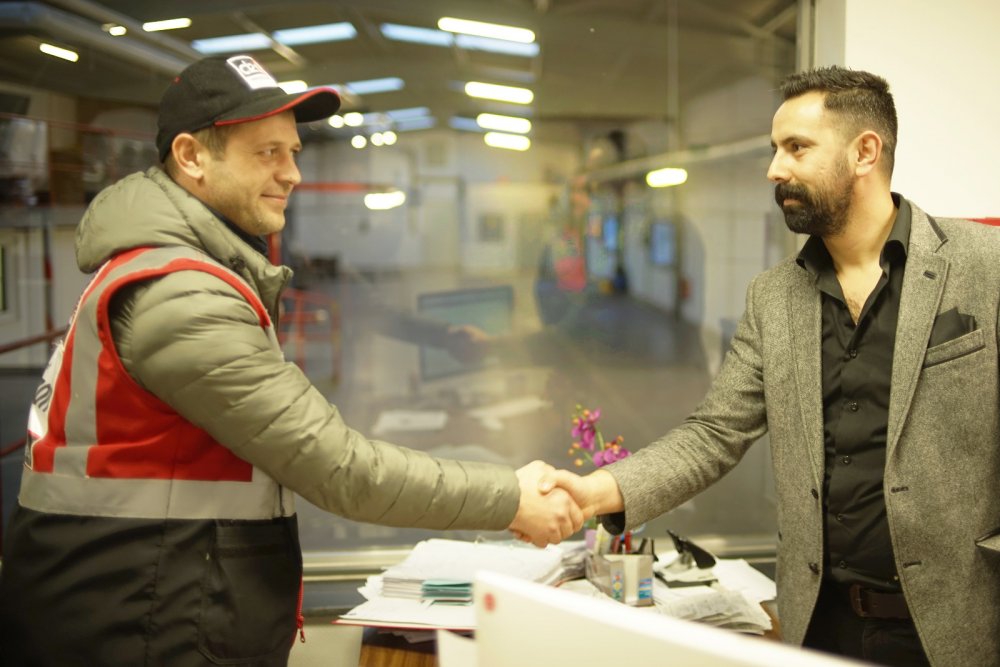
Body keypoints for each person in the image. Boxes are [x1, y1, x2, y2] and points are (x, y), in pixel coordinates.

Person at [0, 54, 581, 667]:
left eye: (294, 152)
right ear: (191, 157)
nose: (293, 173)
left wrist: (437, 335)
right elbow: (338, 467)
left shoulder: (203, 266)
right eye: (267, 153)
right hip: (137, 623)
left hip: (153, 599)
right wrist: (511, 498)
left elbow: (360, 310)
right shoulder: (180, 297)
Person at [543, 66, 1000, 667]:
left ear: (865, 152)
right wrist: (593, 493)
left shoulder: (986, 266)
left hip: (955, 626)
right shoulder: (774, 297)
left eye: (797, 148)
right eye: (774, 148)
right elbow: (714, 433)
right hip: (820, 627)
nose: (774, 169)